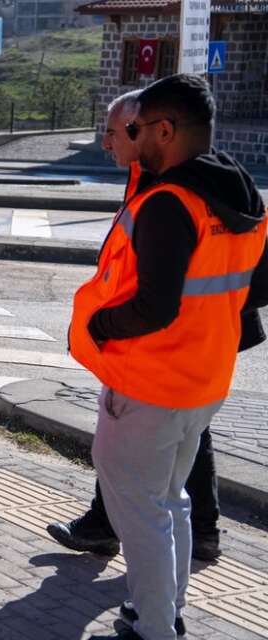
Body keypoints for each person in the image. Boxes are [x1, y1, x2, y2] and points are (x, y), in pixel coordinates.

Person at [73, 74, 268, 640]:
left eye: (135, 130)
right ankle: (157, 612)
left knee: (143, 512)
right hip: (205, 379)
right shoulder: (242, 194)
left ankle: (156, 628)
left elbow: (154, 307)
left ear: (165, 130)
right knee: (170, 503)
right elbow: (256, 287)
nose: (130, 139)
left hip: (150, 380)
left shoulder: (167, 202)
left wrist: (98, 324)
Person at [46, 89, 228, 563]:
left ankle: (162, 597)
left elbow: (160, 295)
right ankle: (110, 525)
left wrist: (103, 324)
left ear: (147, 129)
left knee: (164, 469)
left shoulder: (166, 187)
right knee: (166, 460)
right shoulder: (147, 177)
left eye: (114, 132)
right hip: (163, 345)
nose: (107, 142)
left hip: (162, 347)